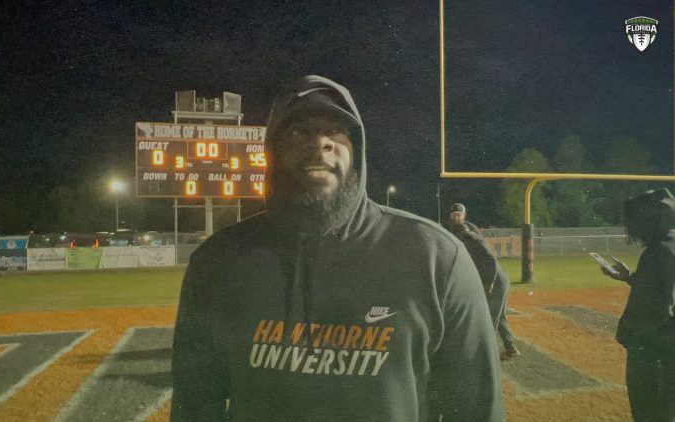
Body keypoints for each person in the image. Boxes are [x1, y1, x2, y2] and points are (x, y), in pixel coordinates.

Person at [170, 75, 504, 421]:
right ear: (273, 151)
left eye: (337, 131)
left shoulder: (436, 258)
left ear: (356, 150)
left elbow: (476, 409)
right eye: (301, 132)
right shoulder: (218, 262)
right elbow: (195, 406)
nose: (321, 143)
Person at [599, 188, 675, 422]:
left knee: (651, 412)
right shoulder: (669, 244)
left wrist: (629, 335)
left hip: (656, 350)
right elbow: (663, 286)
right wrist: (629, 277)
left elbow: (660, 308)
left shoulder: (659, 251)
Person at [447, 220, 519, 360]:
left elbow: (491, 260)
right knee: (500, 316)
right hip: (498, 281)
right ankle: (510, 348)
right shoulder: (470, 240)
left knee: (489, 318)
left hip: (496, 283)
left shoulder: (473, 241)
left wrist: (490, 283)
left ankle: (487, 356)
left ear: (461, 233)